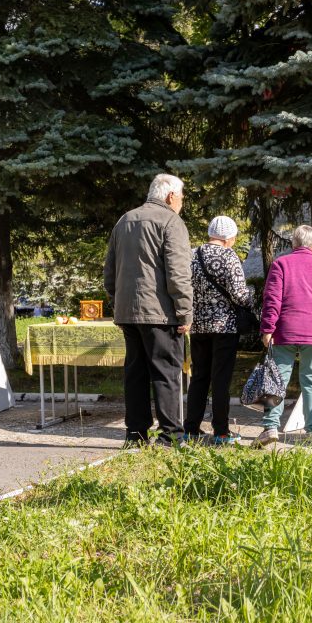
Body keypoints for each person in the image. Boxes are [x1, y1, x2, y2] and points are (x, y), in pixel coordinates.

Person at [104, 173, 192, 446]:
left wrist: (117, 300)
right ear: (170, 196)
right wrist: (185, 311)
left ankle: (136, 435)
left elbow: (110, 271)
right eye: (181, 196)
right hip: (160, 313)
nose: (182, 202)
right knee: (166, 373)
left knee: (136, 374)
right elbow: (178, 273)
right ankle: (170, 437)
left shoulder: (124, 220)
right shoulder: (170, 221)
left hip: (128, 311)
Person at [256, 225, 312, 446]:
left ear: (293, 244)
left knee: (277, 379)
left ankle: (270, 428)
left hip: (284, 331)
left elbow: (272, 299)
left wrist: (267, 328)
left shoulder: (281, 264)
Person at [184, 216, 252, 446]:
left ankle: (191, 429)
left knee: (199, 377)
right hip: (224, 327)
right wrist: (252, 295)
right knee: (220, 380)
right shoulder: (229, 256)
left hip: (198, 326)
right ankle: (221, 432)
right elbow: (239, 295)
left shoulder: (193, 254)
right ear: (229, 237)